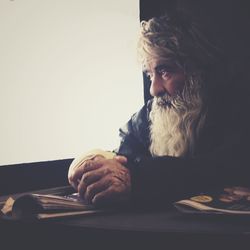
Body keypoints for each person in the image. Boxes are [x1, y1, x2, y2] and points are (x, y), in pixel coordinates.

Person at [68, 13, 250, 207]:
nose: (154, 89)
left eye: (165, 72)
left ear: (198, 71)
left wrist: (137, 178)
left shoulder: (238, 109)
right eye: (150, 74)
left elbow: (220, 168)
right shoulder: (152, 112)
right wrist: (95, 162)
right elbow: (127, 150)